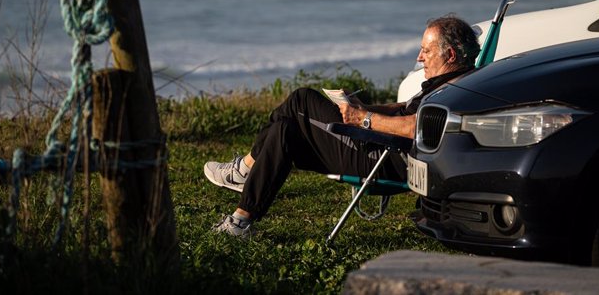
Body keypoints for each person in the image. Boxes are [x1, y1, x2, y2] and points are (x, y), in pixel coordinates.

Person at [203, 14, 480, 237]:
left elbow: (415, 127)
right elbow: (403, 109)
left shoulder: (454, 90)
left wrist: (363, 120)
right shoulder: (453, 81)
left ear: (451, 55)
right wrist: (364, 108)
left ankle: (244, 171)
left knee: (301, 100)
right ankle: (241, 220)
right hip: (380, 144)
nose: (420, 57)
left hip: (385, 156)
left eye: (426, 50)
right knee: (284, 130)